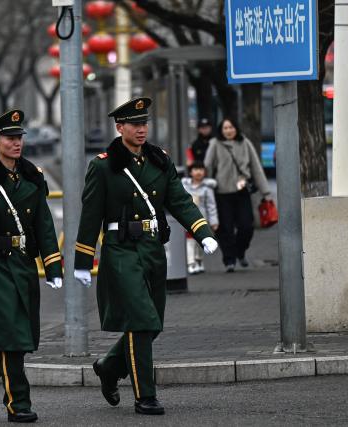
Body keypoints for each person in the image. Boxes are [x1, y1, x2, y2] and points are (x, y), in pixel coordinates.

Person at [73, 97, 218, 416]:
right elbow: (90, 216)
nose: (141, 129)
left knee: (153, 324)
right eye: (134, 124)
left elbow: (179, 200)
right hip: (121, 249)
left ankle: (110, 367)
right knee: (141, 321)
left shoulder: (159, 160)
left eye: (144, 123)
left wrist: (203, 231)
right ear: (119, 127)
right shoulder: (102, 165)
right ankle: (145, 395)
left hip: (153, 248)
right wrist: (84, 260)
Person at [0, 109, 63, 423]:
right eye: (9, 138)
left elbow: (44, 226)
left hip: (23, 264)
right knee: (13, 336)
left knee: (20, 336)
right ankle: (18, 402)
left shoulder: (33, 177)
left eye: (19, 137)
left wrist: (53, 265)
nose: (16, 143)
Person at [204, 118, 271, 272]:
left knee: (247, 226)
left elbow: (256, 168)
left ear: (236, 129)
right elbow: (207, 166)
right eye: (225, 128)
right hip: (222, 193)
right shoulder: (215, 143)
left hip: (242, 192)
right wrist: (204, 186)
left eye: (231, 127)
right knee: (224, 229)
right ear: (221, 130)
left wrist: (266, 193)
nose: (228, 131)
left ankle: (240, 252)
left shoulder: (245, 143)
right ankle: (229, 260)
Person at [181, 161, 219, 274]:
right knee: (190, 242)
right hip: (188, 220)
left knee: (201, 242)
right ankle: (191, 263)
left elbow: (211, 206)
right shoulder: (184, 186)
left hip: (203, 220)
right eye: (195, 169)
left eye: (201, 170)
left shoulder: (207, 188)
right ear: (190, 172)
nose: (198, 172)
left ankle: (199, 260)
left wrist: (214, 221)